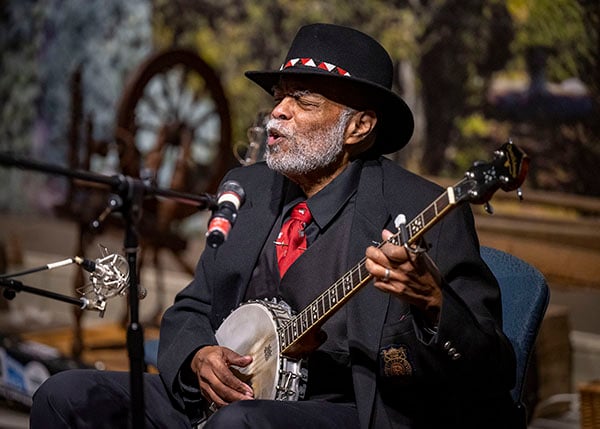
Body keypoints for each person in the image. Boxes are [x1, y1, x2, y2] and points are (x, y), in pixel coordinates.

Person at [31, 23, 517, 429]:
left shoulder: (423, 208)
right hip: (223, 403)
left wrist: (432, 302)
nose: (276, 113)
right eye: (279, 98)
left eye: (302, 101)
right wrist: (200, 356)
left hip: (348, 410)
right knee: (65, 395)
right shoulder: (250, 188)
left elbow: (492, 369)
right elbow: (192, 307)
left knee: (238, 426)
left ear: (359, 127)